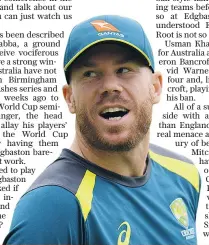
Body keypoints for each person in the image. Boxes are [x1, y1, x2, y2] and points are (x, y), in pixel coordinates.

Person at [4, 15, 200, 245]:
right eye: (90, 74)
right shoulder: (53, 206)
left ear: (155, 87)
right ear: (70, 98)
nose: (109, 86)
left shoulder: (184, 175)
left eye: (124, 70)